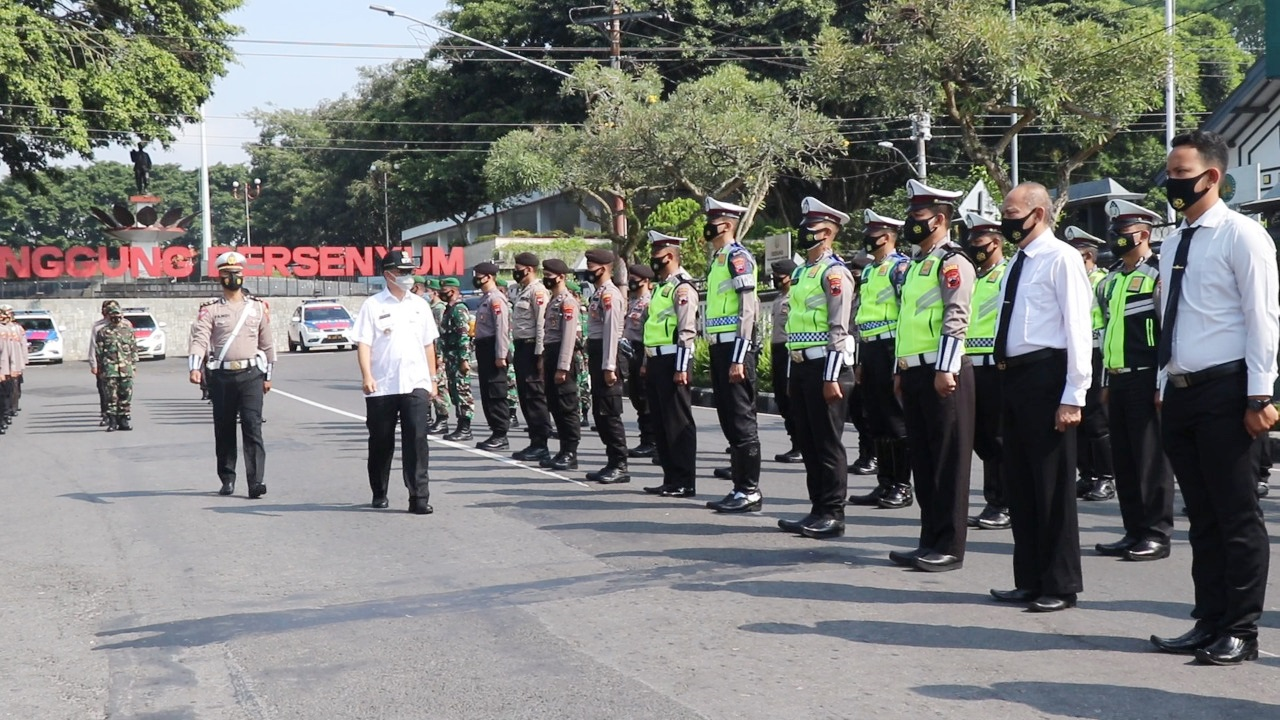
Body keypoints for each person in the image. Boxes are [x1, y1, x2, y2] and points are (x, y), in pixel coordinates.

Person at [1149, 130, 1279, 665]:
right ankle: (1208, 619)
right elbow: (1169, 317)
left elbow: (1263, 318)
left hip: (1228, 392)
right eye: (1170, 173)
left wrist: (1259, 395)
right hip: (1180, 392)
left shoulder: (1242, 235)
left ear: (1212, 177)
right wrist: (1163, 383)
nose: (1171, 183)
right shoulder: (1176, 239)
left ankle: (1242, 630)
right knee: (1200, 516)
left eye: (1181, 174)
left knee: (1236, 516)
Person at [988, 182, 1092, 613]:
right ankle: (1029, 578)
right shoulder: (1018, 262)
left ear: (1038, 214)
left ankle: (1060, 583)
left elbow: (1078, 329)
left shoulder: (1061, 258)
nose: (1005, 220)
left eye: (1012, 213)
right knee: (1022, 483)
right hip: (1014, 379)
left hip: (1048, 377)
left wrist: (1074, 393)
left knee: (1051, 486)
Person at [889, 180, 976, 572]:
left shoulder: (952, 262)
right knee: (923, 461)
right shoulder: (917, 265)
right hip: (915, 371)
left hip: (944, 373)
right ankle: (929, 539)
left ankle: (949, 545)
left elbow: (956, 318)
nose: (910, 222)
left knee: (947, 462)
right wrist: (899, 367)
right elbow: (907, 322)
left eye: (917, 217)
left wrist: (946, 368)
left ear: (939, 220)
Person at [1091, 199, 1174, 562]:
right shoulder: (1111, 279)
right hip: (1118, 378)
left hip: (1146, 378)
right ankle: (1133, 530)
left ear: (1142, 234)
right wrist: (1105, 380)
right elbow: (1106, 331)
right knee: (1124, 460)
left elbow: (1168, 330)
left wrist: (1163, 381)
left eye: (1121, 233)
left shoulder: (1158, 275)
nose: (1114, 239)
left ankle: (1155, 532)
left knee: (1149, 460)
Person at [776, 198, 856, 539]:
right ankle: (816, 508)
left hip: (827, 366)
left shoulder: (834, 273)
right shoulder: (802, 271)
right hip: (801, 365)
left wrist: (831, 375)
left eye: (809, 226)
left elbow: (839, 328)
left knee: (827, 442)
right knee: (808, 440)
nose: (802, 231)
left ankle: (833, 513)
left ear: (826, 233)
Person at [355, 251, 440, 515]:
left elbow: (429, 345)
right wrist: (367, 376)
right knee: (381, 441)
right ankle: (379, 491)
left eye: (409, 272)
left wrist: (433, 378)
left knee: (417, 440)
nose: (406, 277)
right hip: (383, 385)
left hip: (415, 382)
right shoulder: (373, 305)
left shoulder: (420, 304)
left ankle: (419, 497)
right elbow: (364, 344)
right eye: (401, 272)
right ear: (387, 274)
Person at [188, 251, 276, 499]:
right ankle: (227, 477)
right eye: (227, 273)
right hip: (222, 377)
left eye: (236, 273)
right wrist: (194, 367)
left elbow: (268, 345)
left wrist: (268, 376)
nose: (232, 277)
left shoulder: (257, 308)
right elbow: (200, 339)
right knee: (224, 428)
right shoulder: (211, 310)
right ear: (220, 277)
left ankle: (256, 481)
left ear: (243, 274)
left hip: (251, 375)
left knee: (252, 426)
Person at [700, 196, 765, 513]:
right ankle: (739, 487)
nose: (706, 225)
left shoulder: (738, 258)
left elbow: (748, 309)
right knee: (728, 418)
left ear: (724, 224)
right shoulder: (718, 260)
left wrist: (739, 356)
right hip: (719, 346)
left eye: (711, 220)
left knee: (741, 420)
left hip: (735, 348)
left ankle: (749, 491)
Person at [849, 209, 913, 509]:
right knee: (875, 418)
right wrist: (861, 360)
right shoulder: (873, 270)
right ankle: (884, 483)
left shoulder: (900, 269)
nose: (867, 240)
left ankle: (901, 485)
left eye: (872, 235)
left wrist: (900, 358)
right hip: (871, 349)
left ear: (886, 237)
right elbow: (864, 317)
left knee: (894, 418)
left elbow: (906, 313)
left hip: (891, 348)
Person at [960, 212, 1011, 530]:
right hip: (971, 368)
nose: (973, 246)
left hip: (996, 368)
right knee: (980, 437)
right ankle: (996, 500)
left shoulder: (1007, 275)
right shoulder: (975, 278)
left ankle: (1003, 503)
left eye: (978, 241)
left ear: (995, 242)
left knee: (998, 437)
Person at [642, 231, 700, 497]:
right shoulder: (662, 287)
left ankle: (684, 480)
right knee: (661, 422)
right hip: (656, 360)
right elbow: (652, 328)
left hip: (672, 360)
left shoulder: (682, 287)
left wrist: (681, 367)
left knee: (677, 422)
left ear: (668, 256)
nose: (652, 261)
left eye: (655, 256)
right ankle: (670, 478)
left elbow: (687, 331)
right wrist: (646, 360)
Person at [1064, 226, 1117, 502]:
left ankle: (1106, 477)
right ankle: (1087, 474)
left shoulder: (1102, 282)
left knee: (1096, 418)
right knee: (1078, 419)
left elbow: (1111, 320)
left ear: (1088, 256)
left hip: (1097, 353)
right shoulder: (1071, 281)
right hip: (1073, 351)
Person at [583, 249, 630, 483]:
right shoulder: (598, 293)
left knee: (609, 411)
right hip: (598, 352)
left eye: (591, 268)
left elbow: (612, 331)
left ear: (603, 268)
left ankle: (620, 464)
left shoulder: (610, 294)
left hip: (607, 353)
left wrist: (609, 365)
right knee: (600, 412)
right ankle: (612, 461)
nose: (588, 272)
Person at [510, 252, 555, 463]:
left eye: (518, 268)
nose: (515, 271)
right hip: (521, 348)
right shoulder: (522, 291)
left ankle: (541, 444)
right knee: (525, 396)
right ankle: (535, 441)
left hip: (531, 349)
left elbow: (541, 324)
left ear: (528, 269)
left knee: (535, 397)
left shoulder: (538, 291)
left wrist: (540, 354)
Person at [540, 258, 583, 470]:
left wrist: (563, 366)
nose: (546, 280)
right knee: (555, 404)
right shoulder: (552, 301)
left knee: (567, 407)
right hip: (551, 353)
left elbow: (568, 337)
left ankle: (570, 452)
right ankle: (563, 449)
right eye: (545, 276)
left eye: (550, 276)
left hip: (562, 356)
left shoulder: (567, 302)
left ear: (561, 277)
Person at [471, 262, 513, 450]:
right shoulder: (486, 298)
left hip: (494, 349)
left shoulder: (497, 299)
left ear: (489, 277)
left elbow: (502, 328)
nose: (476, 279)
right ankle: (495, 432)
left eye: (479, 275)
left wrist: (501, 354)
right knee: (488, 392)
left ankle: (501, 434)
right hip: (484, 349)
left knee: (496, 392)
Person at [623, 263, 657, 459]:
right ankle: (645, 438)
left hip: (643, 351)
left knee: (645, 399)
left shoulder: (649, 303)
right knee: (637, 397)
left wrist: (645, 361)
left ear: (645, 281)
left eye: (634, 279)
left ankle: (650, 440)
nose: (630, 282)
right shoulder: (633, 302)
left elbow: (650, 335)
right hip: (631, 353)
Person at [770, 258, 801, 463]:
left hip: (790, 350)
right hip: (777, 350)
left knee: (792, 399)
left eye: (779, 277)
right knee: (781, 398)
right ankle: (794, 442)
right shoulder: (777, 299)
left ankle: (800, 445)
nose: (776, 280)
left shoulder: (795, 297)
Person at [438, 278, 475, 442]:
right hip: (451, 357)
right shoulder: (449, 309)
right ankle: (460, 425)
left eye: (444, 290)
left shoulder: (459, 309)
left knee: (462, 391)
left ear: (452, 291)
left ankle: (465, 427)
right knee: (454, 391)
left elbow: (463, 335)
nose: (441, 293)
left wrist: (464, 359)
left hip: (458, 357)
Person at [95, 301, 139, 431]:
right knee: (111, 397)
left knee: (125, 395)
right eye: (113, 315)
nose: (116, 318)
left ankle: (124, 420)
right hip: (110, 370)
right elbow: (99, 353)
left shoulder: (128, 331)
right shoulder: (103, 332)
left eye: (118, 315)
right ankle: (112, 421)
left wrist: (134, 367)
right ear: (108, 316)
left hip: (126, 369)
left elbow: (133, 350)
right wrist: (101, 370)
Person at [89, 300, 131, 426]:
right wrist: (94, 364)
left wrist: (133, 365)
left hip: (124, 366)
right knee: (105, 391)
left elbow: (132, 346)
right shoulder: (99, 327)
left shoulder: (126, 325)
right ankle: (107, 415)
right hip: (106, 365)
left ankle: (122, 416)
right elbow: (94, 347)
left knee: (123, 391)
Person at [424, 278, 451, 435]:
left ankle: (443, 419)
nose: (426, 293)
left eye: (428, 291)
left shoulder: (439, 309)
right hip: (430, 351)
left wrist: (439, 355)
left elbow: (441, 335)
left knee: (440, 387)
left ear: (434, 292)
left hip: (437, 352)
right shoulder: (429, 308)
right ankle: (433, 417)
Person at [567, 278, 592, 425]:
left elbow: (583, 334)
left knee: (581, 384)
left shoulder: (581, 312)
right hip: (572, 353)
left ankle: (583, 414)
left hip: (580, 354)